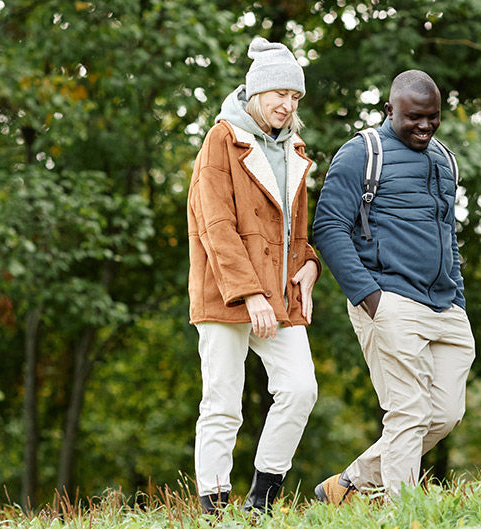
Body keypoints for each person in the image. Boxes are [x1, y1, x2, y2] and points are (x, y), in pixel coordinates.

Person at [312, 70, 476, 502]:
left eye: (433, 118)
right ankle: (402, 512)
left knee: (444, 414)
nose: (424, 126)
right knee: (409, 412)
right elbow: (328, 227)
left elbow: (447, 236)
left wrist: (457, 295)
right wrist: (372, 299)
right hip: (389, 300)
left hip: (445, 306)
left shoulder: (445, 160)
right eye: (414, 117)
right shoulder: (361, 153)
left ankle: (350, 484)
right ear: (390, 110)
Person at [187, 36, 320, 516]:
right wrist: (250, 295)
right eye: (279, 94)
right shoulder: (221, 140)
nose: (287, 104)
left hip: (279, 294)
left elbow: (297, 233)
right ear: (256, 93)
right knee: (222, 402)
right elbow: (215, 227)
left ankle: (260, 501)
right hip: (225, 293)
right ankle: (214, 512)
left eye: (295, 97)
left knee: (301, 387)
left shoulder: (295, 149)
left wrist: (309, 266)